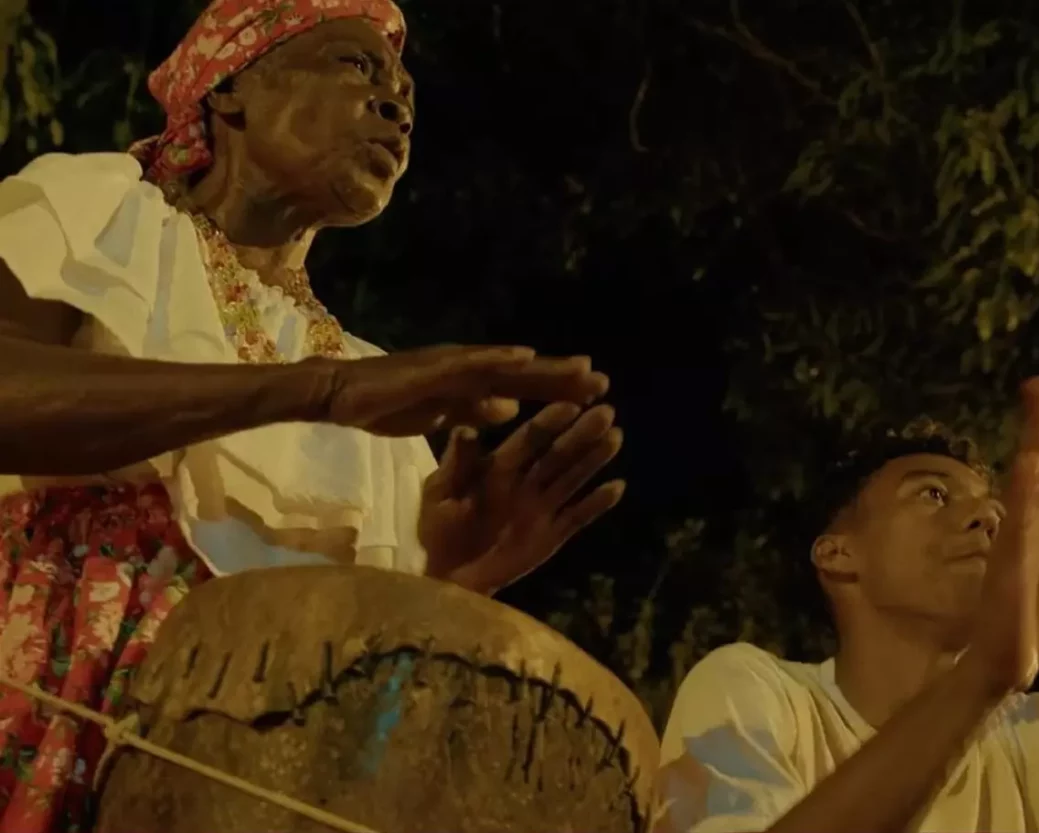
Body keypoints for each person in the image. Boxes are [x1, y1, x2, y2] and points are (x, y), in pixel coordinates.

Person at [0, 0, 625, 828]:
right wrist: (315, 392)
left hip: (255, 781)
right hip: (52, 684)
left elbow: (357, 664)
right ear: (231, 92)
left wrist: (455, 577)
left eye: (405, 88)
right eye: (354, 65)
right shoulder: (102, 206)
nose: (398, 102)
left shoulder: (370, 378)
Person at [655, 376, 1039, 833]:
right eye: (933, 494)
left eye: (994, 507)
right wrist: (981, 680)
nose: (987, 518)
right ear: (838, 553)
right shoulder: (756, 694)